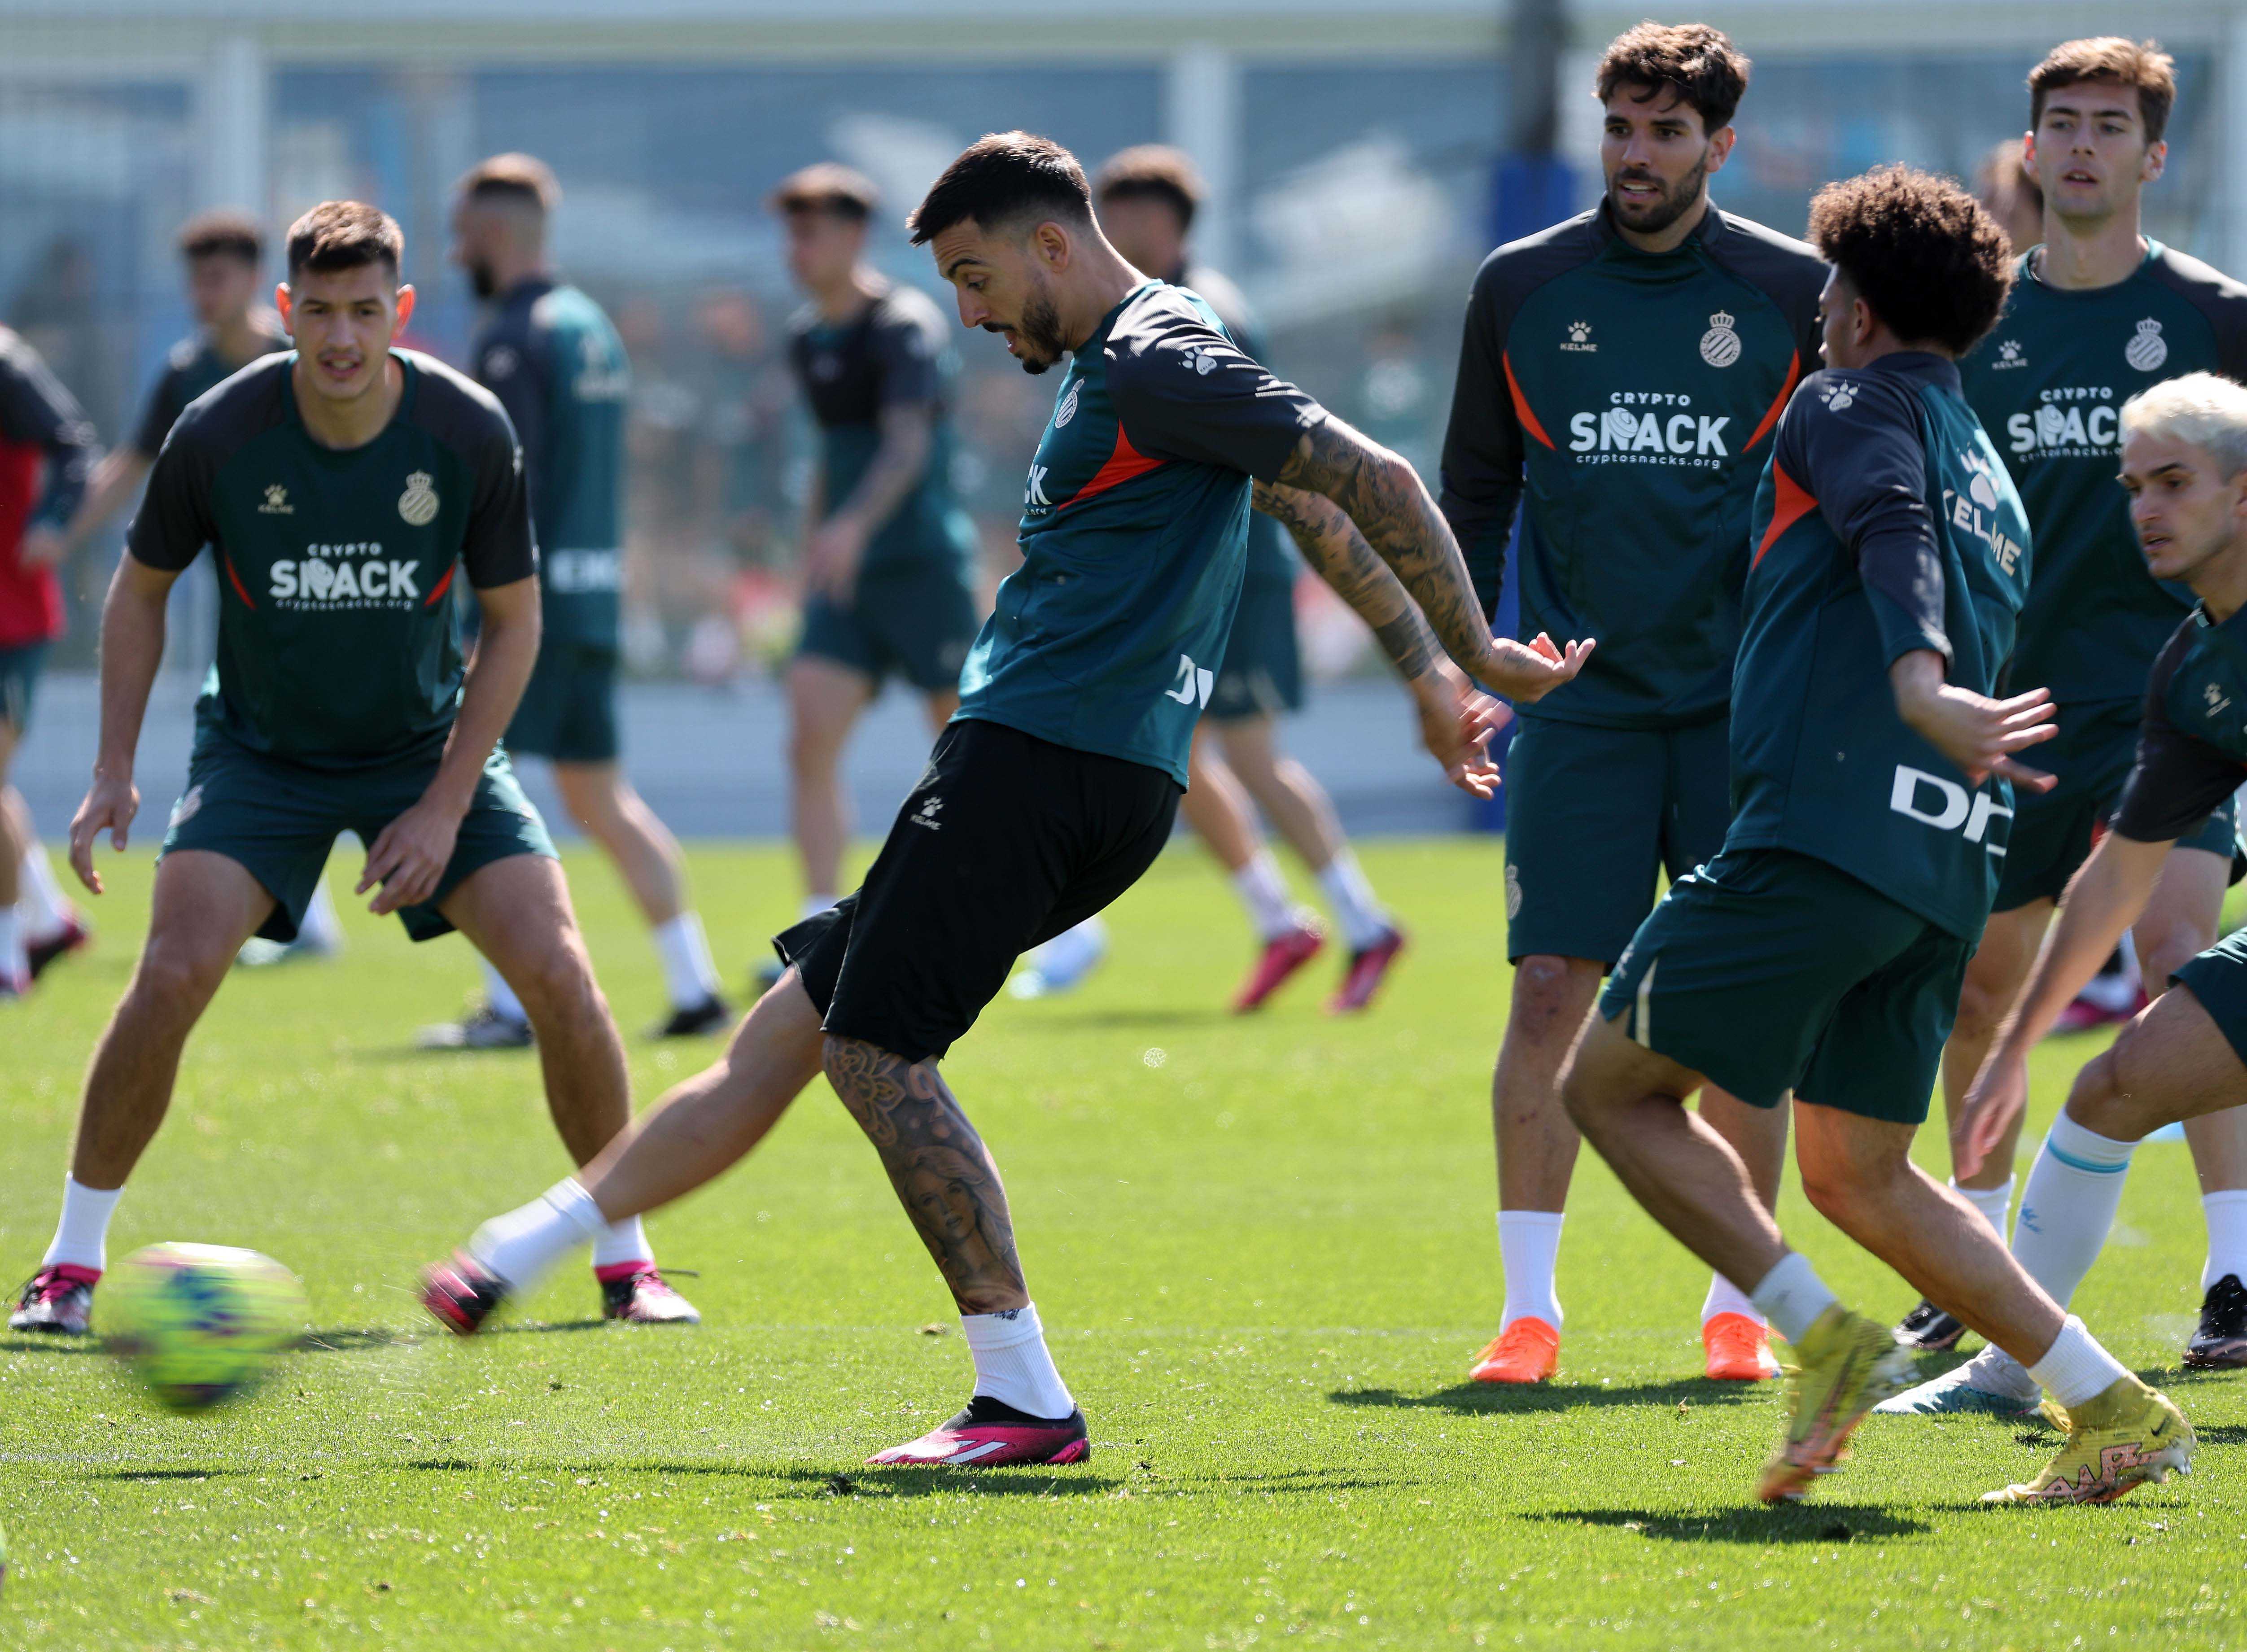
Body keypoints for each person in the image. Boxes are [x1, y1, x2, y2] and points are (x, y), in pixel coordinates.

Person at [420, 131, 1584, 1469]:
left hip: (1045, 757)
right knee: (794, 1026)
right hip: (1066, 760)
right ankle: (524, 1246)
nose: (969, 314)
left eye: (976, 278)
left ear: (1049, 243)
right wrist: (1427, 674)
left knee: (873, 1051)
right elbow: (1303, 504)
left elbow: (1366, 474)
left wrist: (1473, 650)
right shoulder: (1134, 355)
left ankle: (1022, 1396)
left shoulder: (1156, 353)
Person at [1562, 163, 2192, 1507]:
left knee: (1608, 1086)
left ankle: (1823, 1336)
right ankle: (2109, 1404)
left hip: (1822, 827)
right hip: (1941, 863)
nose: (1820, 313)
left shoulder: (1843, 400)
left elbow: (1886, 523)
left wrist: (1913, 677)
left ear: (1856, 307)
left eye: (1830, 290)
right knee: (1860, 1170)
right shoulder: (1994, 469)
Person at [6, 202, 695, 1335]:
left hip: (423, 749)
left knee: (561, 973)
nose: (340, 337)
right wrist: (113, 765)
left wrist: (445, 803)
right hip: (260, 753)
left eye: (365, 312)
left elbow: (514, 624)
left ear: (401, 311)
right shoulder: (219, 430)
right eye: (319, 312)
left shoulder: (465, 429)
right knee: (170, 971)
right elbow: (138, 590)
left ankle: (626, 1260)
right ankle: (69, 1263)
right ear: (284, 309)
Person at [1437, 22, 1825, 1385]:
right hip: (1580, 708)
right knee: (1551, 991)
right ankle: (1526, 1314)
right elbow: (1471, 493)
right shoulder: (1520, 286)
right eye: (1619, 128)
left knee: (1739, 1014)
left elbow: (1841, 493)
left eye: (1666, 132)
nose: (1636, 154)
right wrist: (1465, 661)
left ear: (1721, 146)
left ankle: (1738, 1307)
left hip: (1745, 710)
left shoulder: (1792, 291)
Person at [1893, 36, 2247, 1358]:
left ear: (2153, 156)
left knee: (2180, 962)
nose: (2081, 144)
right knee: (1979, 986)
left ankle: (2235, 1272)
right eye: (2062, 123)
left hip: (2180, 702)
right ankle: (1973, 1261)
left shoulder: (2217, 315)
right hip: (2010, 705)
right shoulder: (1970, 323)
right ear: (2030, 148)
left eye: (2108, 124)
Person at [420, 154, 730, 1048]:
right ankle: (695, 984)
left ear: (497, 232)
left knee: (471, 788)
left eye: (464, 235)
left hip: (530, 608)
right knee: (600, 795)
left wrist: (475, 608)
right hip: (592, 595)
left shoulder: (515, 336)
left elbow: (505, 483)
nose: (456, 252)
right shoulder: (592, 326)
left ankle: (511, 1005)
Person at [1089, 144, 1405, 1014]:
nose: (1103, 234)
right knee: (1177, 752)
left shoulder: (1208, 312)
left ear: (1159, 221)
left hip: (1238, 572)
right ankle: (1282, 919)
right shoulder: (1147, 309)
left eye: (1114, 217)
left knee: (1249, 754)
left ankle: (1361, 922)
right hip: (1191, 574)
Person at [62, 210, 343, 970]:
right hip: (252, 606)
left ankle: (316, 915)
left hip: (334, 590)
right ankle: (308, 918)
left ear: (254, 281)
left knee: (324, 747)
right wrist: (64, 535)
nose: (203, 292)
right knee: (275, 743)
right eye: (194, 278)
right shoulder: (186, 373)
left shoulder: (301, 362)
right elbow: (130, 463)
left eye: (217, 277)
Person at [770, 164, 986, 948]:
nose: (797, 250)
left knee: (972, 755)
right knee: (808, 741)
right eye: (791, 234)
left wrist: (853, 526)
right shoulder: (806, 337)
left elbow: (906, 446)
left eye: (812, 233)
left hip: (922, 567)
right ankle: (819, 927)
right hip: (845, 578)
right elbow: (830, 454)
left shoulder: (903, 325)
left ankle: (1052, 923)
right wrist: (816, 542)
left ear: (856, 236)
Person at [0, 326, 96, 995]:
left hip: (11, 613)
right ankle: (47, 918)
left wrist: (53, 519)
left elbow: (74, 444)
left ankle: (8, 957)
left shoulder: (6, 364)